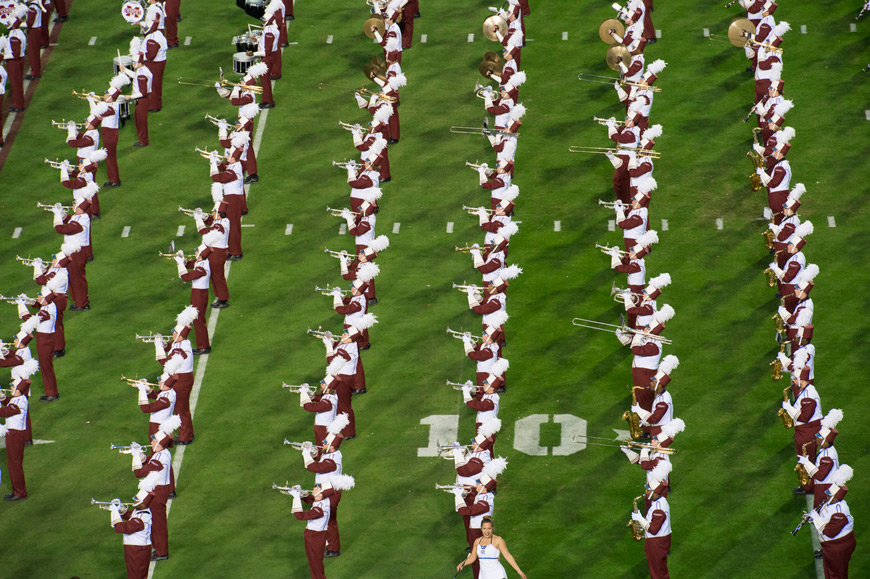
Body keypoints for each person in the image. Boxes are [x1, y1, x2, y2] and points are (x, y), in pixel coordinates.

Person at [456, 517, 527, 579]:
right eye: (484, 529)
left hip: (498, 575)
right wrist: (462, 564)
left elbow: (508, 556)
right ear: (481, 529)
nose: (487, 531)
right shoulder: (477, 541)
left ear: (492, 528)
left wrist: (519, 571)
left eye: (489, 528)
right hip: (484, 576)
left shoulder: (498, 540)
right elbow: (473, 557)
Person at [289, 485, 330, 579]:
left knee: (316, 564)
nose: (314, 488)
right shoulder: (324, 500)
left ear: (320, 495)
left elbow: (299, 515)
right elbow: (310, 499)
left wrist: (296, 497)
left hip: (315, 537)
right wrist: (301, 493)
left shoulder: (319, 510)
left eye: (318, 489)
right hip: (317, 535)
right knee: (314, 563)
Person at [0, 374, 30, 500]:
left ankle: (19, 492)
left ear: (18, 390)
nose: (10, 387)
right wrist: (2, 398)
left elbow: (5, 411)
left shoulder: (19, 401)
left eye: (12, 386)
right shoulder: (18, 398)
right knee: (13, 463)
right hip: (14, 434)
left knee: (14, 464)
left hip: (15, 435)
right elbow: (9, 402)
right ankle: (17, 490)